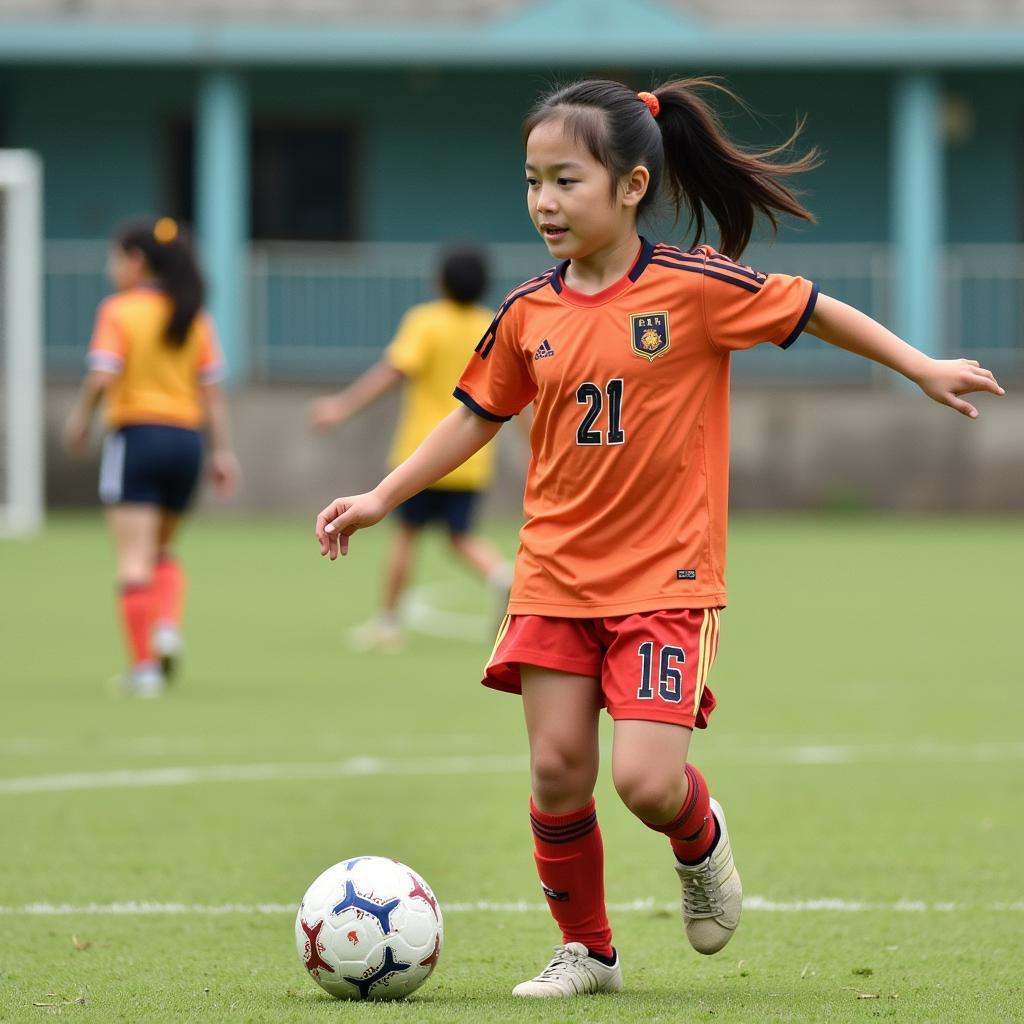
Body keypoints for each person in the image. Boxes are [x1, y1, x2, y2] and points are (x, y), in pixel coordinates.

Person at [314, 79, 1004, 997]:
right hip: (555, 576)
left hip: (666, 582)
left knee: (643, 781)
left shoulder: (694, 287)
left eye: (567, 181)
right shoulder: (528, 312)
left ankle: (701, 841)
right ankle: (589, 952)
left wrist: (919, 366)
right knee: (558, 771)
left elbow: (814, 308)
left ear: (632, 185)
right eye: (532, 182)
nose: (545, 203)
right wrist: (381, 494)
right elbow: (474, 415)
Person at [64, 216, 240, 696]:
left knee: (131, 559)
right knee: (161, 547)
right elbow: (213, 393)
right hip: (187, 443)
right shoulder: (194, 315)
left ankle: (143, 670)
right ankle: (166, 624)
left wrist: (80, 420)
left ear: (136, 261)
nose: (111, 268)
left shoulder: (119, 311)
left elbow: (102, 375)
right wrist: (223, 452)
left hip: (136, 438)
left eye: (115, 257)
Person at [310, 245, 512, 651]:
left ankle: (387, 622)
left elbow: (392, 372)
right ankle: (501, 574)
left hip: (423, 453)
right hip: (471, 457)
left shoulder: (425, 322)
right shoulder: (490, 324)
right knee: (461, 536)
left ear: (440, 282)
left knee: (405, 534)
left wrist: (341, 407)